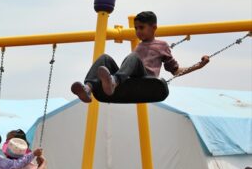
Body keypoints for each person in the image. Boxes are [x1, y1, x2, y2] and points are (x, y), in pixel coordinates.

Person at [71, 11, 210, 103]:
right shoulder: (139, 46)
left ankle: (113, 81)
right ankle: (87, 89)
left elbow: (176, 71)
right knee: (104, 58)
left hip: (146, 79)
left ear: (154, 27)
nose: (138, 31)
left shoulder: (162, 45)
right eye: (136, 28)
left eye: (141, 28)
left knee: (133, 57)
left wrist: (199, 65)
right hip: (128, 79)